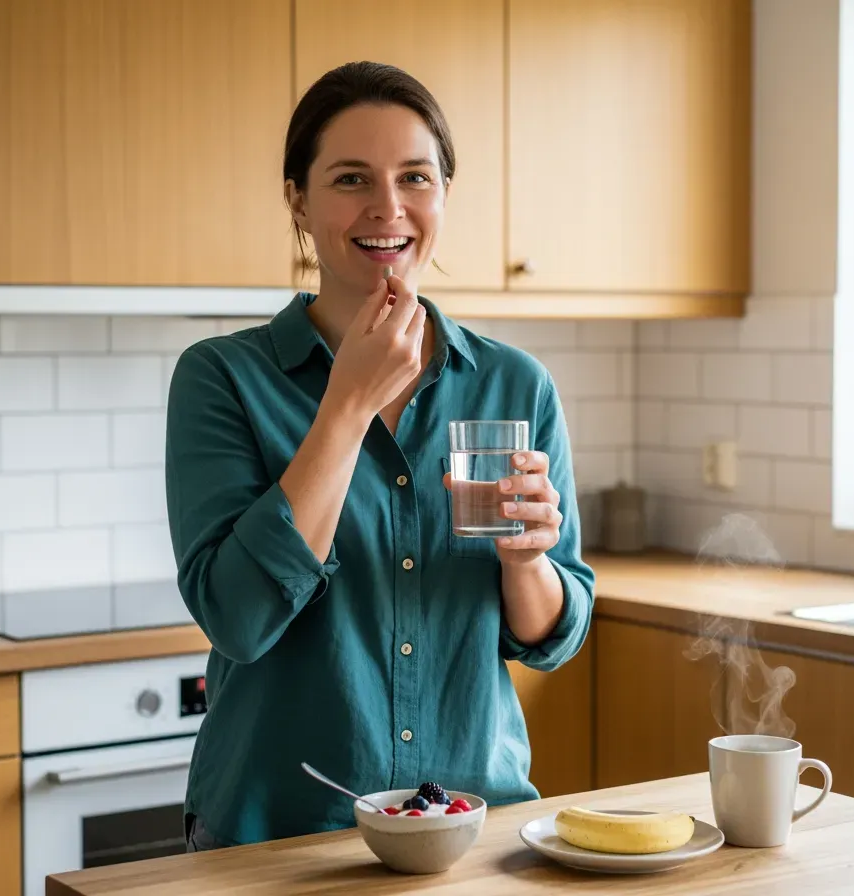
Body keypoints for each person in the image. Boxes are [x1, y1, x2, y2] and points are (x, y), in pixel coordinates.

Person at [165, 60, 595, 852]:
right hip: (280, 838)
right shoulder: (222, 378)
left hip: (472, 827)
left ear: (444, 194)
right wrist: (347, 405)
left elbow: (552, 637)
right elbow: (238, 619)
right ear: (298, 199)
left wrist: (528, 561)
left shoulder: (514, 384)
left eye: (414, 178)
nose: (388, 208)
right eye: (351, 178)